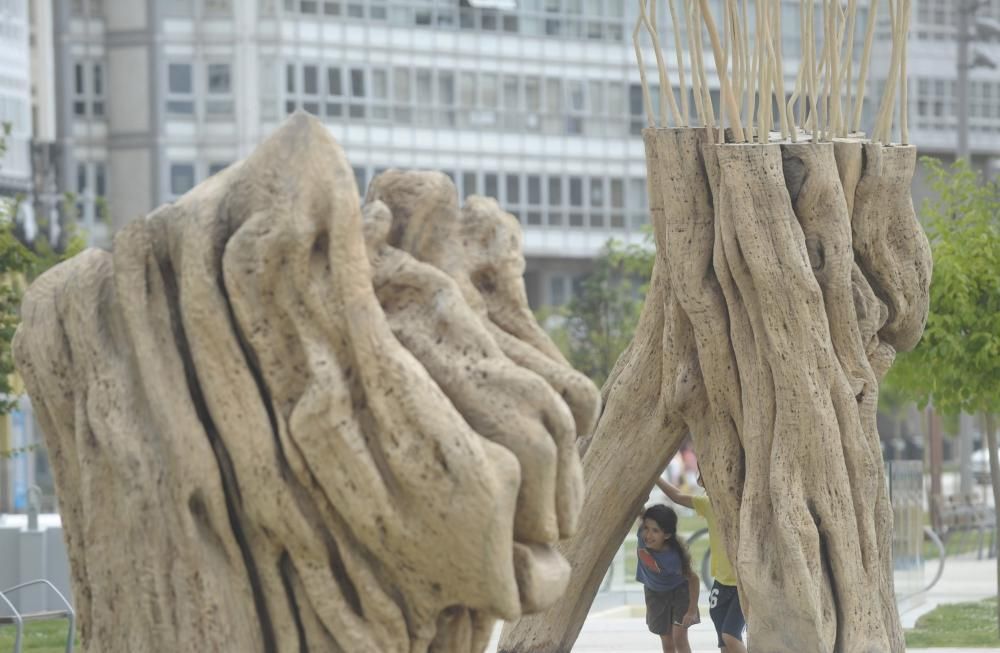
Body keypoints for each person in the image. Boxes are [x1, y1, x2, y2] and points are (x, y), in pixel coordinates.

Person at [656, 475, 747, 653]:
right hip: (721, 583)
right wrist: (656, 477)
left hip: (742, 585)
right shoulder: (708, 504)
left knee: (730, 635)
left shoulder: (745, 505)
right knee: (723, 642)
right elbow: (677, 496)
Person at [636, 503, 700, 653]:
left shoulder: (673, 559)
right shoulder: (642, 535)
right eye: (646, 528)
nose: (648, 535)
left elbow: (694, 579)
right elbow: (640, 511)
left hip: (680, 592)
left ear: (667, 535)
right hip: (654, 593)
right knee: (667, 640)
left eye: (655, 531)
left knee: (679, 638)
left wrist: (691, 611)